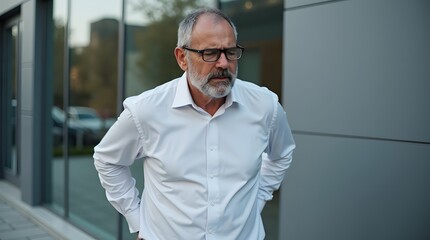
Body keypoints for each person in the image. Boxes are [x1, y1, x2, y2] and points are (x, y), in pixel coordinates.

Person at [93, 8, 295, 240]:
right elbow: (107, 160)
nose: (223, 63)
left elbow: (281, 154)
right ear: (182, 58)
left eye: (230, 52)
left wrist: (258, 198)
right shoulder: (147, 110)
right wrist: (137, 219)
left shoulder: (264, 106)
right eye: (210, 53)